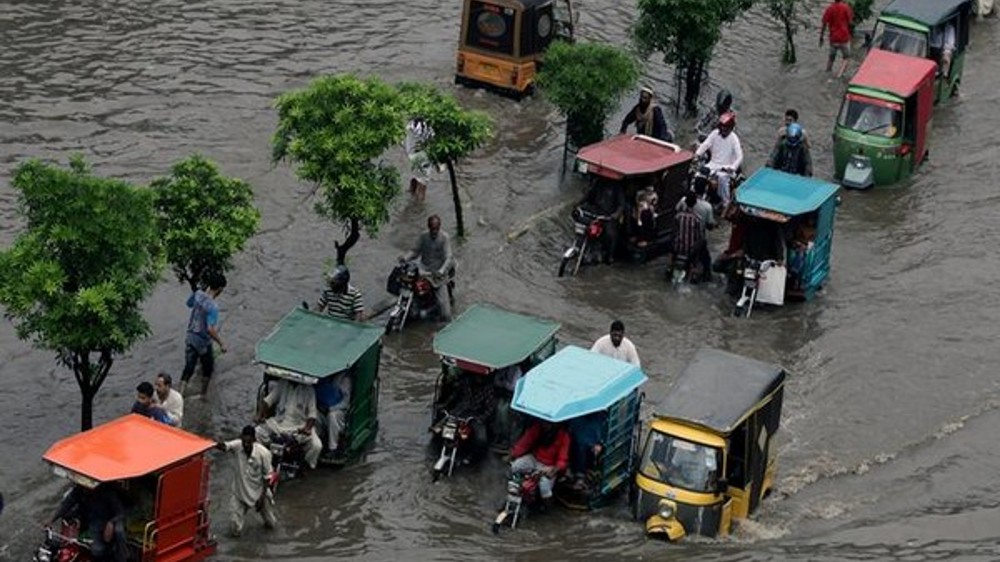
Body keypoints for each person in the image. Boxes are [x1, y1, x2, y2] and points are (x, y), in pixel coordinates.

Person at [216, 426, 277, 537]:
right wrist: (213, 443)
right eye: (244, 442)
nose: (246, 445)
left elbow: (267, 477)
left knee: (271, 524)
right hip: (240, 493)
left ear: (254, 440)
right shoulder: (238, 446)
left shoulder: (264, 453)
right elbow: (225, 446)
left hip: (259, 493)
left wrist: (262, 498)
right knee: (235, 528)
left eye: (249, 442)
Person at [256, 379, 322, 470]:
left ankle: (305, 466)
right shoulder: (283, 383)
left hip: (299, 427)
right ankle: (262, 459)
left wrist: (307, 428)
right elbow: (268, 401)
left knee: (317, 446)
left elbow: (312, 414)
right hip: (279, 424)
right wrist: (260, 415)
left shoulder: (309, 390)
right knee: (257, 432)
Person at [50, 484, 127, 562]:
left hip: (104, 521)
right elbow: (66, 504)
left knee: (98, 549)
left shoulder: (108, 493)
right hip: (88, 521)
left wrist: (111, 522)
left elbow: (120, 512)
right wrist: (52, 519)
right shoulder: (79, 491)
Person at [399, 215, 455, 322]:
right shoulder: (423, 236)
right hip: (423, 270)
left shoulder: (444, 238)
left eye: (436, 229)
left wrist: (442, 270)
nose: (434, 232)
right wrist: (405, 257)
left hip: (437, 274)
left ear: (439, 227)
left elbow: (448, 257)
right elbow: (415, 251)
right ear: (428, 227)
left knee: (446, 314)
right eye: (432, 229)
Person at [179, 272, 227, 397]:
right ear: (220, 289)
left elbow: (188, 304)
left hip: (190, 336)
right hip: (203, 342)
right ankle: (203, 395)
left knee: (188, 367)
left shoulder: (198, 294)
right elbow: (210, 329)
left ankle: (180, 394)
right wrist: (221, 343)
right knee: (208, 369)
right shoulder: (213, 307)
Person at [509, 419, 571, 509]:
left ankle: (548, 507)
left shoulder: (564, 436)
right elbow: (525, 443)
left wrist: (554, 469)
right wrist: (513, 454)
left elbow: (562, 459)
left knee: (544, 487)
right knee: (516, 466)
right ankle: (516, 488)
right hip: (534, 458)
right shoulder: (537, 428)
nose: (546, 425)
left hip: (549, 465)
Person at [440, 373, 497, 460]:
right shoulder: (466, 382)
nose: (478, 378)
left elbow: (490, 408)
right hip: (460, 411)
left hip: (475, 415)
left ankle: (474, 456)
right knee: (444, 427)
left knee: (481, 438)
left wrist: (481, 418)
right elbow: (455, 396)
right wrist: (445, 405)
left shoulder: (488, 389)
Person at [695, 111, 743, 209]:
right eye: (722, 128)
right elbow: (705, 144)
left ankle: (725, 202)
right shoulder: (715, 134)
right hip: (712, 164)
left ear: (730, 128)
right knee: (698, 175)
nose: (724, 130)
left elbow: (740, 156)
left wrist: (732, 167)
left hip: (726, 168)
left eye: (726, 128)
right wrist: (697, 154)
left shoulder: (734, 139)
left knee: (722, 180)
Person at [579, 179, 626, 263]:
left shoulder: (617, 188)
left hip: (608, 215)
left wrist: (616, 214)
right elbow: (588, 196)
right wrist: (579, 203)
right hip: (596, 212)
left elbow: (621, 205)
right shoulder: (598, 183)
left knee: (610, 234)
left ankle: (609, 256)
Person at [673, 193, 710, 282]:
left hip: (678, 248)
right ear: (695, 203)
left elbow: (674, 232)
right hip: (691, 250)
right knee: (704, 256)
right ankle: (704, 274)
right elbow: (699, 237)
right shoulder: (697, 219)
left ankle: (670, 266)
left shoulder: (678, 217)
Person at [315, 372, 352, 462]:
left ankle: (332, 449)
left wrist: (330, 408)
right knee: (314, 414)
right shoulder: (322, 375)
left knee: (333, 416)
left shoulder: (344, 380)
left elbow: (345, 403)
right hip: (322, 408)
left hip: (337, 411)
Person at [567, 412, 606, 487]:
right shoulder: (576, 418)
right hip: (580, 444)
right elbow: (573, 432)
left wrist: (600, 443)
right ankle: (580, 476)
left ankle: (584, 476)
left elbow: (603, 430)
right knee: (580, 447)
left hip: (593, 444)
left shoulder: (599, 417)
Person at [820, 0, 854, 78]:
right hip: (844, 38)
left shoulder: (829, 8)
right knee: (846, 58)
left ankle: (827, 72)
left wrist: (821, 37)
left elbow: (824, 23)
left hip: (833, 38)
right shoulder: (846, 7)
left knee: (831, 58)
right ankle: (839, 75)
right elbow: (850, 23)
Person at [404, 118, 435, 202]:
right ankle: (419, 207)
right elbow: (433, 141)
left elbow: (405, 142)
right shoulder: (429, 127)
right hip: (424, 157)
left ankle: (411, 193)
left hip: (412, 155)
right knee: (422, 184)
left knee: (414, 175)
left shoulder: (410, 125)